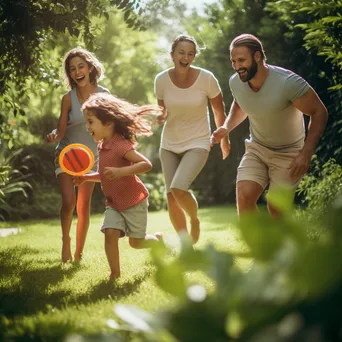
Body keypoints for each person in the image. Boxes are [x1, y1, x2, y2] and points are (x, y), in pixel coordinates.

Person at [211, 33, 328, 218]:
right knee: (244, 196)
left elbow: (319, 112)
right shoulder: (237, 82)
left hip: (289, 152)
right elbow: (241, 103)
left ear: (257, 56)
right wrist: (226, 128)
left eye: (241, 60)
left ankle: (284, 245)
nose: (236, 66)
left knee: (276, 208)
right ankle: (257, 246)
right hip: (257, 149)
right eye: (233, 61)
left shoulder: (287, 83)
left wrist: (306, 153)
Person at [73, 92, 164, 280]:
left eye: (90, 122)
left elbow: (146, 164)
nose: (87, 126)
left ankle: (157, 241)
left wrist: (121, 171)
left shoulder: (121, 145)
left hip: (134, 201)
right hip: (114, 203)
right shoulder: (102, 145)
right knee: (110, 232)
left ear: (107, 122)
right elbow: (107, 176)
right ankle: (114, 273)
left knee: (136, 243)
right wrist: (87, 177)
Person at [154, 34, 231, 244]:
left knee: (178, 188)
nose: (186, 57)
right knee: (171, 196)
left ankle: (194, 219)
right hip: (169, 143)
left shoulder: (207, 78)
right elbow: (162, 111)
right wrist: (157, 118)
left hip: (198, 141)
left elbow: (218, 110)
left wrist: (224, 137)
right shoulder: (161, 80)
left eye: (190, 53)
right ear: (172, 55)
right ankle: (185, 244)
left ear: (194, 56)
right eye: (181, 53)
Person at [46, 47, 108, 263]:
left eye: (81, 66)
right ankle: (66, 243)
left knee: (83, 206)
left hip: (91, 158)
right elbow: (60, 130)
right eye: (72, 69)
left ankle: (79, 253)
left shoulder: (104, 96)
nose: (77, 71)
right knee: (68, 201)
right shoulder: (68, 99)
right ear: (70, 74)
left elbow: (110, 127)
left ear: (90, 68)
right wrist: (54, 135)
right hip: (66, 154)